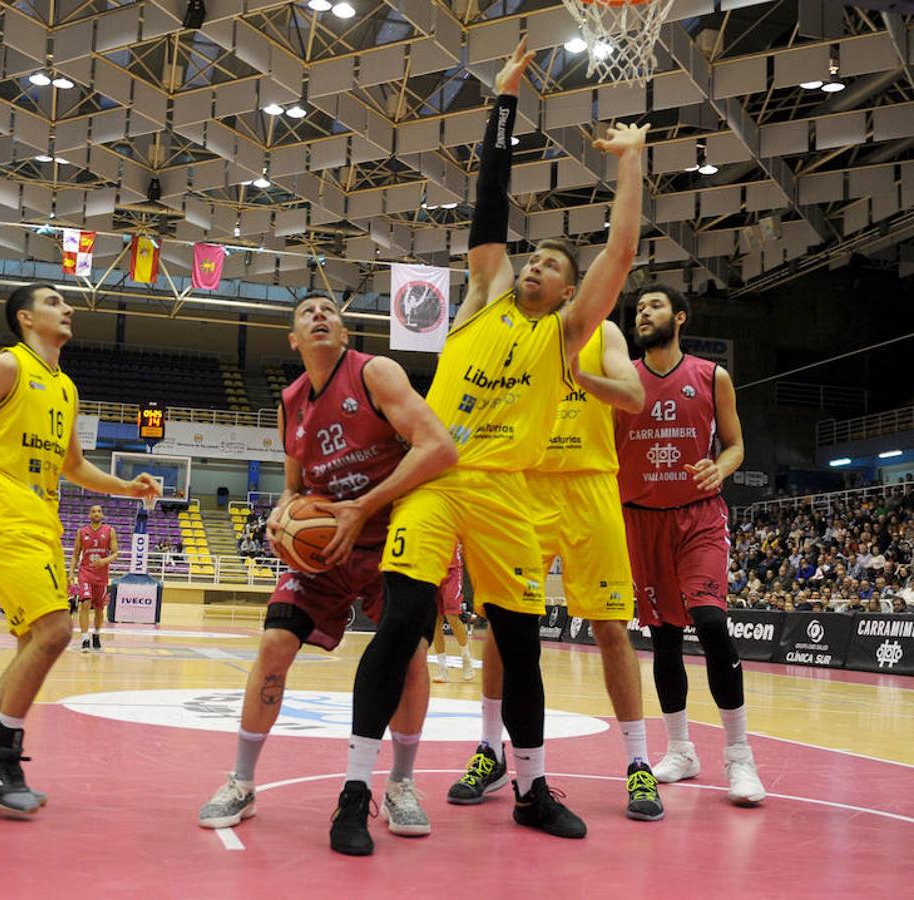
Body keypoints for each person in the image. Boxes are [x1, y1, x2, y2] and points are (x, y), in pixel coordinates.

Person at [328, 38, 648, 855]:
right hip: (437, 479)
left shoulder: (570, 334)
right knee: (402, 624)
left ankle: (531, 786)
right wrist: (503, 102)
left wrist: (631, 167)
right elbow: (490, 203)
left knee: (518, 646)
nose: (533, 266)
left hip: (512, 491)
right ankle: (356, 789)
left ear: (569, 291)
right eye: (529, 259)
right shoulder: (477, 302)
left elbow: (619, 253)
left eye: (548, 264)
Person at [198, 292, 457, 837]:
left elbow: (438, 448)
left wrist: (362, 506)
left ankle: (402, 785)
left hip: (391, 537)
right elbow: (293, 488)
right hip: (325, 551)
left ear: (344, 334)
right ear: (294, 340)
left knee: (410, 659)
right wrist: (281, 513)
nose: (319, 315)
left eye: (329, 311)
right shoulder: (290, 402)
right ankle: (241, 781)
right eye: (306, 313)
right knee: (272, 645)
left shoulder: (376, 374)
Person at [0, 283, 160, 816]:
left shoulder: (67, 387)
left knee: (31, 641)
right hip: (5, 516)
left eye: (65, 303)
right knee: (55, 631)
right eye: (53, 302)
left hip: (43, 522)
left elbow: (72, 466)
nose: (67, 308)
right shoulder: (5, 367)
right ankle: (1, 756)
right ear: (25, 318)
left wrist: (127, 486)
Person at [447, 283, 662, 821]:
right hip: (525, 488)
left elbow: (634, 397)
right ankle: (490, 748)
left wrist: (578, 377)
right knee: (500, 622)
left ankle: (638, 764)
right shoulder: (514, 342)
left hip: (591, 486)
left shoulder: (603, 333)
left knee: (612, 626)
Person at [614, 281, 765, 806]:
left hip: (697, 516)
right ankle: (681, 749)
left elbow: (736, 445)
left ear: (680, 317)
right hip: (639, 520)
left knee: (712, 624)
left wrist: (718, 467)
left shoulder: (711, 376)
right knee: (664, 639)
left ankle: (739, 756)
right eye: (638, 309)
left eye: (654, 306)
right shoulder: (621, 383)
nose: (642, 314)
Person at [70, 504, 118, 652]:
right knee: (85, 603)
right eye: (93, 511)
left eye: (98, 511)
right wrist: (71, 572)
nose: (96, 513)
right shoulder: (82, 532)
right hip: (85, 572)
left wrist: (104, 561)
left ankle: (96, 634)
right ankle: (84, 638)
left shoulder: (110, 531)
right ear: (89, 515)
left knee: (99, 608)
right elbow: (75, 555)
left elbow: (115, 553)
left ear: (102, 515)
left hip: (101, 575)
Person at [431, 544, 474, 683]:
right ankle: (442, 669)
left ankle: (466, 658)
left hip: (452, 569)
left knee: (452, 616)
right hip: (432, 567)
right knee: (435, 620)